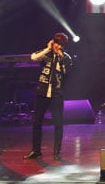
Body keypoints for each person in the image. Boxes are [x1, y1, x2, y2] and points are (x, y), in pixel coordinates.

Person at [24, 32, 73, 161]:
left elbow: (66, 73)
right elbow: (33, 57)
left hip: (56, 94)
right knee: (36, 122)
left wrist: (60, 58)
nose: (58, 46)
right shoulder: (46, 54)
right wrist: (47, 49)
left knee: (58, 123)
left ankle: (57, 152)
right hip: (42, 92)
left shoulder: (66, 58)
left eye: (60, 45)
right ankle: (36, 151)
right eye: (56, 43)